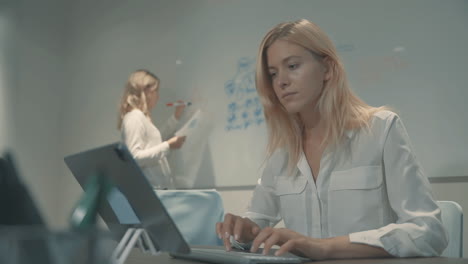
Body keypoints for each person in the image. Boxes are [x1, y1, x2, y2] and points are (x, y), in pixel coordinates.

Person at [216, 19, 448, 260]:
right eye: (273, 74)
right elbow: (256, 223)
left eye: (293, 66)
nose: (281, 81)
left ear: (327, 69)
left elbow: (429, 232)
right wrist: (244, 232)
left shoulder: (381, 129)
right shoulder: (282, 152)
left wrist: (325, 247)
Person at [118, 69, 186, 189]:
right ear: (144, 92)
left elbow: (154, 140)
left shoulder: (140, 118)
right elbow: (134, 158)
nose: (158, 96)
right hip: (151, 192)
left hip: (158, 191)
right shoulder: (134, 118)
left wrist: (175, 118)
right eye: (155, 91)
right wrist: (168, 146)